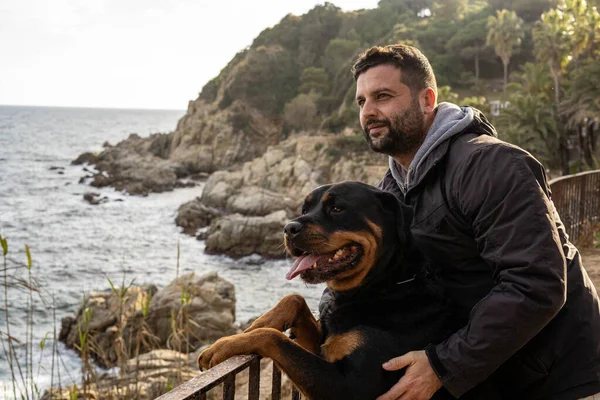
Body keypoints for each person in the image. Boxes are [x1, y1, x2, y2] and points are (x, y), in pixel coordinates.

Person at [345, 44, 600, 399]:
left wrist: (442, 365)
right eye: (361, 102)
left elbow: (535, 283)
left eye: (383, 96)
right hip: (491, 374)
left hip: (558, 377)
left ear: (426, 100)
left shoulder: (491, 164)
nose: (369, 112)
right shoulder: (391, 190)